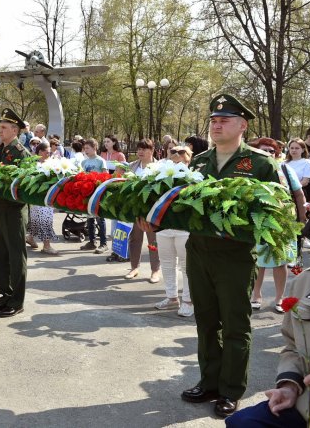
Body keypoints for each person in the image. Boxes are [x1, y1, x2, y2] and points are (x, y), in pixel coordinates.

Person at [145, 94, 281, 418]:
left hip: (235, 258)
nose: (216, 125)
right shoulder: (199, 162)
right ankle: (209, 381)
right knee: (205, 322)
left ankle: (231, 389)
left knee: (235, 324)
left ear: (243, 125)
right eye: (213, 120)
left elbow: (275, 211)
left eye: (224, 120)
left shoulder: (261, 164)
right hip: (199, 252)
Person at [226, 208, 310, 427]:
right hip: (307, 404)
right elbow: (293, 346)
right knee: (242, 423)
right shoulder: (305, 282)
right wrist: (289, 386)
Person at [249, 138, 307, 313]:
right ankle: (255, 295)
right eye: (264, 150)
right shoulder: (250, 170)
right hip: (256, 220)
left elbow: (298, 194)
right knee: (257, 261)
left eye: (272, 151)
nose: (268, 154)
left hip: (282, 221)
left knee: (280, 262)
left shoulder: (284, 169)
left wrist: (301, 220)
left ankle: (279, 298)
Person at [0, 108, 31, 318]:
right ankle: (5, 294)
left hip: (13, 210)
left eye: (4, 127)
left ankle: (17, 300)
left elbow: (24, 186)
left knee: (15, 255)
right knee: (0, 254)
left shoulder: (21, 153)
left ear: (15, 130)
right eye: (0, 127)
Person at [154, 145, 194, 317]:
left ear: (189, 157)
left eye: (181, 152)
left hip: (183, 228)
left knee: (186, 266)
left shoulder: (193, 176)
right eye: (173, 152)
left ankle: (188, 300)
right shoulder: (159, 174)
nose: (177, 154)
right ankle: (171, 297)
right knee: (167, 263)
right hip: (164, 227)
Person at [116, 139, 161, 283]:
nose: (140, 152)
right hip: (135, 209)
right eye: (139, 149)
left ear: (152, 150)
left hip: (152, 210)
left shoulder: (159, 167)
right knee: (135, 238)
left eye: (144, 149)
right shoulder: (132, 166)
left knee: (153, 240)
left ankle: (155, 270)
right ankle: (134, 267)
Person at [26, 143, 59, 255]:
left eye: (50, 152)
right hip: (40, 197)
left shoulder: (50, 164)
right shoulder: (34, 165)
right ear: (40, 152)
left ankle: (30, 237)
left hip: (46, 197)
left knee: (36, 219)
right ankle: (46, 246)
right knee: (45, 220)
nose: (49, 154)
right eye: (47, 152)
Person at [80, 138, 109, 253]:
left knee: (99, 218)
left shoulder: (100, 161)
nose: (85, 150)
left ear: (94, 148)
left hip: (97, 193)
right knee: (89, 218)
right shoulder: (84, 162)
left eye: (88, 148)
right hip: (87, 193)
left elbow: (105, 175)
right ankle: (92, 242)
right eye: (84, 148)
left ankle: (103, 243)